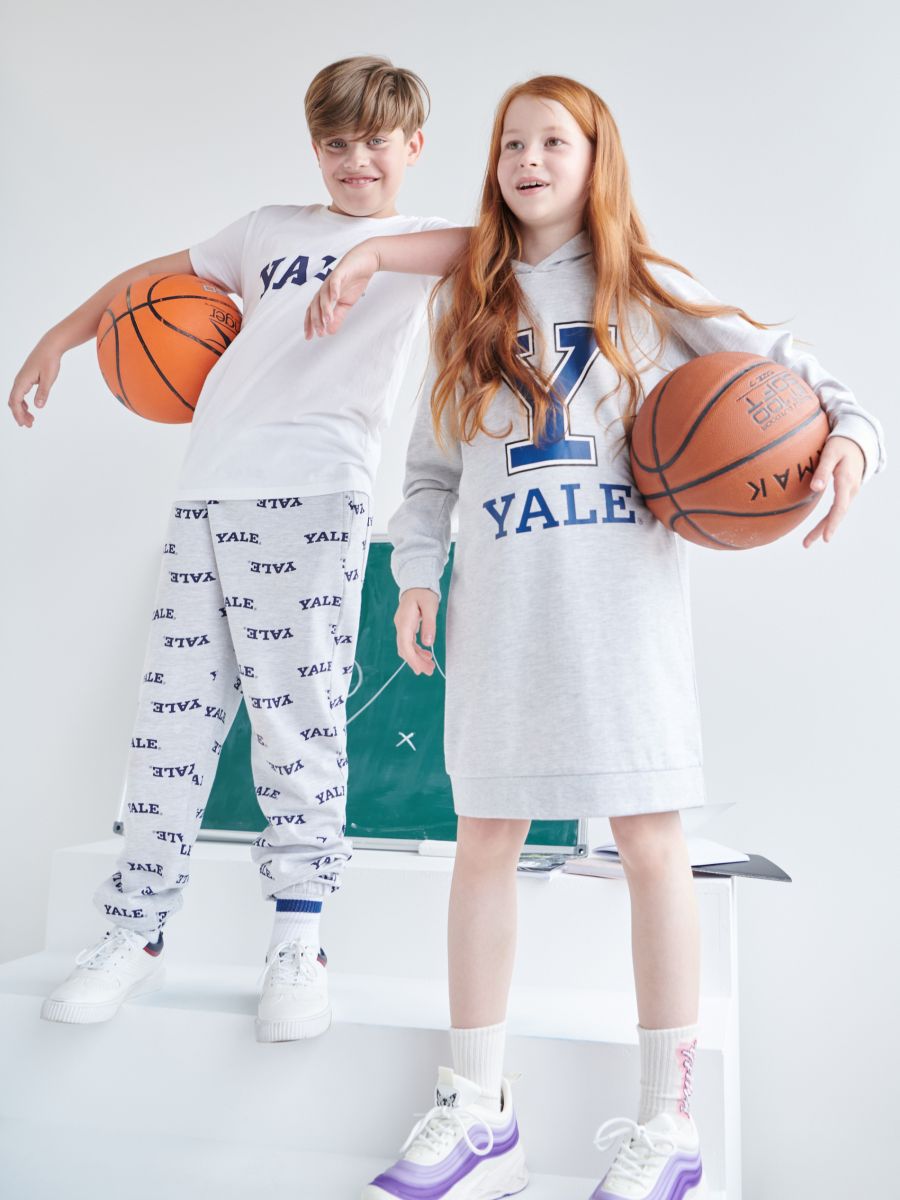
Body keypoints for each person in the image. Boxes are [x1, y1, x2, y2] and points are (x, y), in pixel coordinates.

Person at [305, 75, 885, 1198]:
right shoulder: (466, 308)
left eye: (552, 142)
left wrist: (851, 441)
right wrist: (416, 577)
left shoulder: (649, 289)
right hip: (503, 615)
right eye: (511, 144)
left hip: (622, 618)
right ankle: (480, 1113)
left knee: (650, 841)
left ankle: (669, 1123)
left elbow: (808, 378)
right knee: (485, 841)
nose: (527, 160)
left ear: (595, 159)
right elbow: (428, 478)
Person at [8, 55, 450, 1042]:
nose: (356, 161)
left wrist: (373, 258)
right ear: (315, 149)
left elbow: (508, 239)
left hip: (316, 495)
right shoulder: (265, 230)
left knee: (298, 720)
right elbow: (146, 283)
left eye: (377, 142)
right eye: (336, 144)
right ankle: (135, 932)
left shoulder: (421, 242)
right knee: (170, 725)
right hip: (209, 488)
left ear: (414, 145)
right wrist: (59, 337)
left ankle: (299, 938)